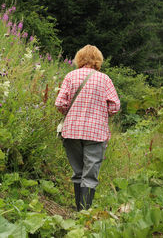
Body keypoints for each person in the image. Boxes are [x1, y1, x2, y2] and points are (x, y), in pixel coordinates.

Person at [55, 45, 120, 211]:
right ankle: (84, 214)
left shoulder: (70, 76)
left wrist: (70, 112)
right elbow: (114, 106)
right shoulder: (105, 79)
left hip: (72, 131)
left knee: (78, 172)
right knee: (90, 174)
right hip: (96, 133)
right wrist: (100, 113)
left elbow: (60, 103)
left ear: (79, 59)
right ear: (98, 60)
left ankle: (78, 210)